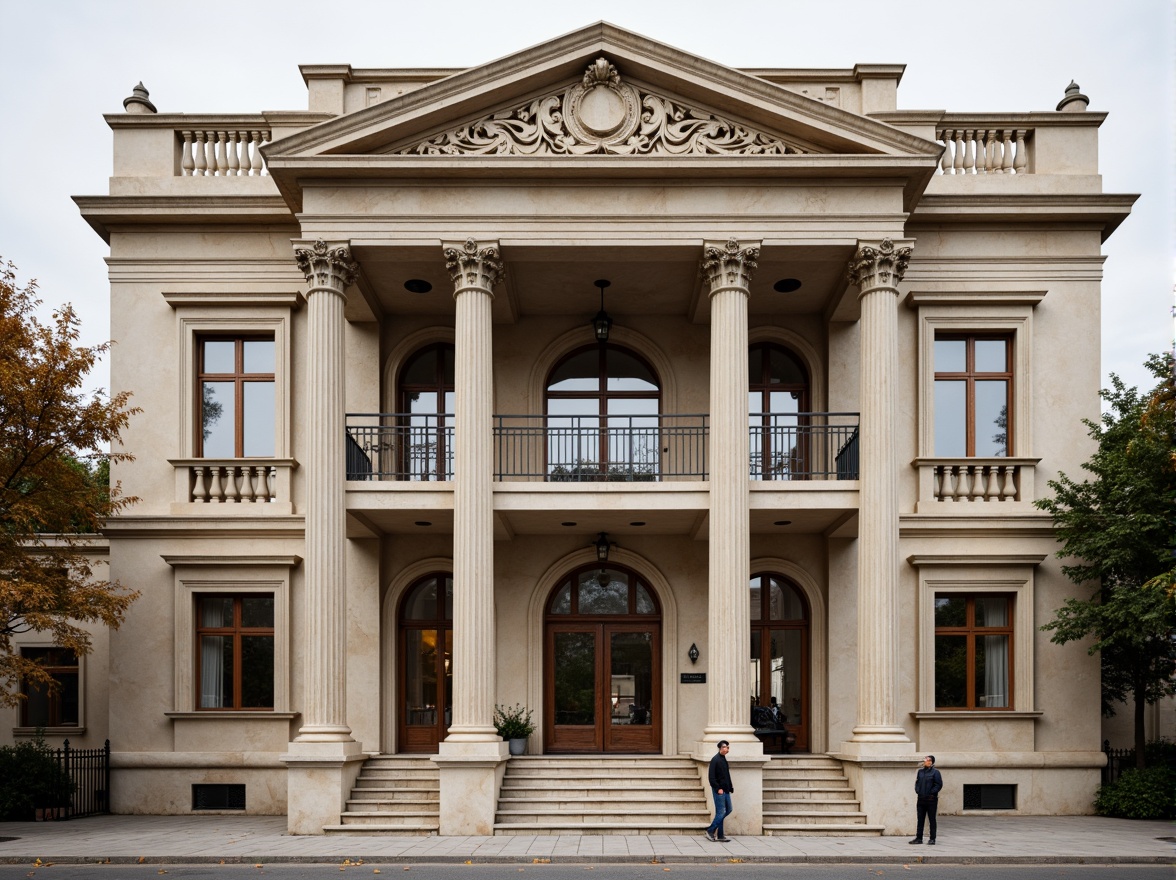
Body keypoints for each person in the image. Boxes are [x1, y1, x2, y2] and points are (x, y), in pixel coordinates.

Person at [703, 740, 733, 842]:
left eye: (728, 747)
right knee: (721, 812)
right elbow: (711, 777)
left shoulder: (724, 759)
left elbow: (726, 776)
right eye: (725, 747)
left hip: (726, 790)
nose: (727, 749)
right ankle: (710, 830)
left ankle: (720, 835)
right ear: (720, 748)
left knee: (728, 809)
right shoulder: (715, 760)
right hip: (719, 790)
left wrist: (730, 787)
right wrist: (718, 788)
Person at [909, 754, 943, 845]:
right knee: (920, 819)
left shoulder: (936, 772)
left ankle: (932, 838)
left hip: (931, 800)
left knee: (932, 819)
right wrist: (917, 790)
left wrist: (931, 793)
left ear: (931, 762)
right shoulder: (920, 772)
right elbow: (917, 783)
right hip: (921, 799)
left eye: (928, 760)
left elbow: (938, 785)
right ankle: (919, 838)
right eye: (925, 759)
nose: (926, 761)